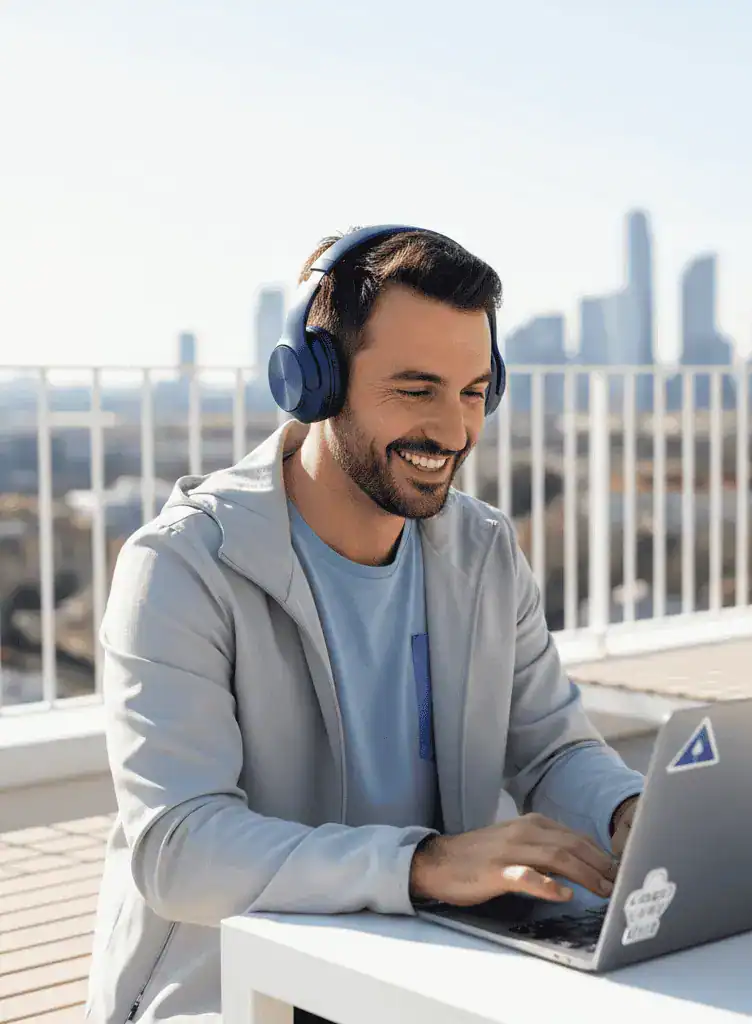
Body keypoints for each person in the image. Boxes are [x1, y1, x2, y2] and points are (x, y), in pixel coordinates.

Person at [85, 226, 645, 1023]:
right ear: (314, 383)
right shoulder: (182, 566)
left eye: (474, 391)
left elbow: (552, 751)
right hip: (235, 992)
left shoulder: (482, 552)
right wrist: (422, 865)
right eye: (416, 390)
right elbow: (180, 850)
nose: (454, 432)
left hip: (431, 971)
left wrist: (632, 815)